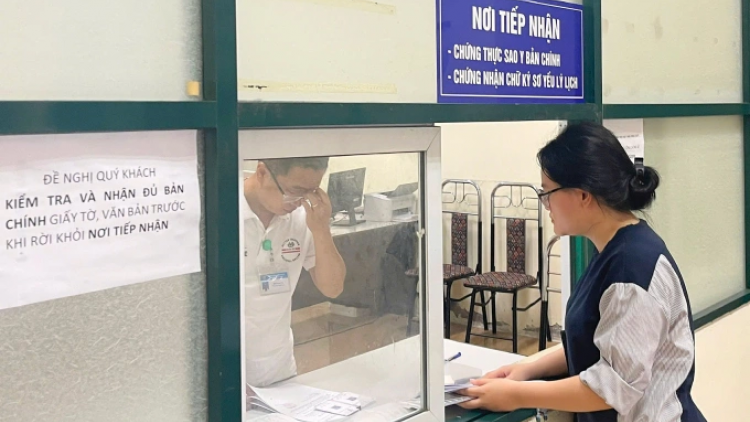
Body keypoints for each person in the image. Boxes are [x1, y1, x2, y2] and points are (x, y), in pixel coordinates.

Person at [459, 122, 706, 422]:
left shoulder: (630, 267)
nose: (546, 204)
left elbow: (611, 388)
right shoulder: (614, 249)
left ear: (583, 195)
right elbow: (597, 343)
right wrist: (526, 369)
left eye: (548, 192)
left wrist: (516, 395)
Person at [243, 157, 346, 388]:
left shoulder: (302, 218)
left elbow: (333, 287)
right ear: (262, 173)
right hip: (224, 370)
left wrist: (321, 229)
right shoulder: (221, 213)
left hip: (278, 369)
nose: (300, 202)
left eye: (310, 192)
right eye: (294, 191)